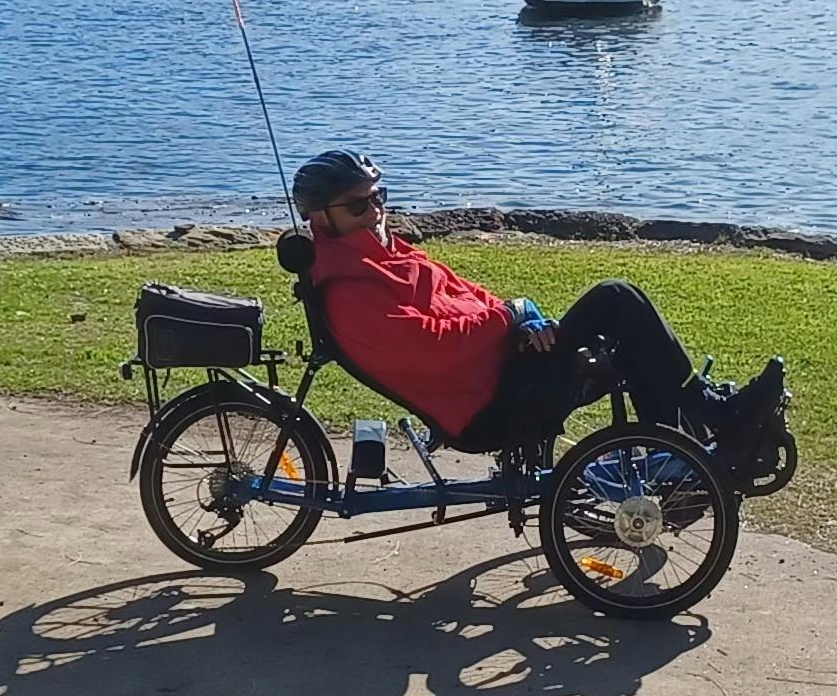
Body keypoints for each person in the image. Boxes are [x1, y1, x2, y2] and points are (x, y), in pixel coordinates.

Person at [290, 150, 785, 473]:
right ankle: (712, 417)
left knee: (617, 326)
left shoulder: (385, 255)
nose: (376, 212)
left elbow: (468, 295)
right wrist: (513, 317)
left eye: (380, 198)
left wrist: (524, 323)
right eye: (360, 207)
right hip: (487, 406)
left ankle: (676, 449)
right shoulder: (351, 292)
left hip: (504, 366)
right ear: (320, 218)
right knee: (615, 299)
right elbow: (436, 347)